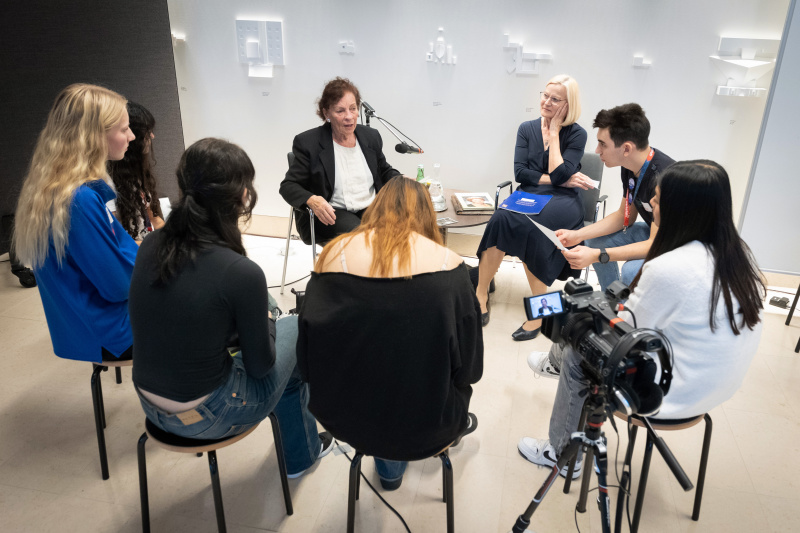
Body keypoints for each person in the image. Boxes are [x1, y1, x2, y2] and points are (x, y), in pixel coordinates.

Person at [518, 160, 764, 478]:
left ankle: (563, 455)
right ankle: (556, 361)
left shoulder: (668, 268)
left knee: (581, 344)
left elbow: (624, 333)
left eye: (657, 200)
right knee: (595, 312)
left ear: (681, 209)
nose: (651, 205)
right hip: (717, 385)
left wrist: (585, 316)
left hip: (664, 394)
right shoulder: (741, 255)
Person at [129, 138, 332, 477]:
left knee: (262, 306)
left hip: (151, 407)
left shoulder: (151, 244)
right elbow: (260, 367)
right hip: (211, 414)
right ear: (241, 195)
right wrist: (269, 320)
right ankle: (300, 457)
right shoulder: (240, 272)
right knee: (295, 327)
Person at [297, 177, 483, 491]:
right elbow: (470, 371)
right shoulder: (451, 271)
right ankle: (397, 465)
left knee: (379, 379)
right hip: (429, 425)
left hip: (346, 418)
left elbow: (307, 360)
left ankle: (390, 472)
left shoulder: (330, 258)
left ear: (374, 209)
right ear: (427, 216)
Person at [529, 103, 675, 378]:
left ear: (626, 148)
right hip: (652, 233)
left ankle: (625, 322)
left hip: (671, 245)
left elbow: (656, 245)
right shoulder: (630, 168)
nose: (597, 151)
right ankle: (613, 308)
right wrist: (578, 235)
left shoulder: (662, 178)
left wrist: (597, 256)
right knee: (595, 242)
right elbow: (623, 217)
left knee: (630, 270)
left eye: (602, 144)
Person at [13, 83, 138, 362]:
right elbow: (118, 286)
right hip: (115, 334)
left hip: (81, 330)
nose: (131, 136)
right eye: (124, 129)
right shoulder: (79, 200)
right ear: (93, 137)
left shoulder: (51, 189)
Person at [476, 74, 594, 340]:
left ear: (568, 104)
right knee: (500, 219)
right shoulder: (526, 128)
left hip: (564, 200)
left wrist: (554, 132)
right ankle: (481, 291)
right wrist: (560, 179)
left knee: (535, 227)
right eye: (545, 95)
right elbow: (521, 173)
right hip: (531, 192)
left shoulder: (577, 133)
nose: (547, 102)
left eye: (555, 99)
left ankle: (541, 311)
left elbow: (560, 172)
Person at [279, 77, 401, 245]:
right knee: (363, 238)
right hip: (332, 212)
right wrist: (312, 200)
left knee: (404, 227)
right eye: (340, 111)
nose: (349, 116)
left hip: (370, 208)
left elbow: (383, 170)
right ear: (326, 113)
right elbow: (288, 186)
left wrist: (402, 180)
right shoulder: (309, 143)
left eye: (353, 109)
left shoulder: (370, 136)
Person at [107, 101, 165, 242]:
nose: (152, 136)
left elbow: (155, 220)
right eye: (146, 131)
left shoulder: (136, 174)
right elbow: (114, 240)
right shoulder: (106, 181)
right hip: (133, 252)